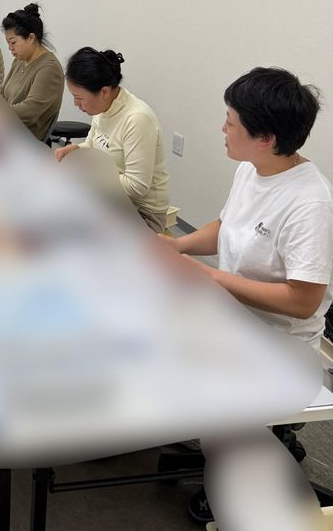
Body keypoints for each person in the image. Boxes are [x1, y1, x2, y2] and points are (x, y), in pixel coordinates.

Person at [163, 67, 333, 347]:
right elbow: (227, 225)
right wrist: (177, 246)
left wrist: (210, 275)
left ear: (265, 139)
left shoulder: (312, 204)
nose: (223, 128)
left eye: (230, 123)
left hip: (278, 345)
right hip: (232, 318)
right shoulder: (251, 167)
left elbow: (303, 302)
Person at [55, 47, 170, 232]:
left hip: (141, 213)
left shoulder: (137, 119)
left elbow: (137, 186)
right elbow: (93, 144)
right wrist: (76, 150)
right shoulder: (103, 108)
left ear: (104, 92)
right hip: (109, 201)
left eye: (79, 98)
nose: (76, 104)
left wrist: (88, 176)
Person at [0, 3, 64, 141]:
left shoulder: (49, 68)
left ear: (31, 38)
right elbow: (3, 93)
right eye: (8, 43)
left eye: (13, 42)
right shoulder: (20, 60)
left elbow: (29, 111)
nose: (10, 48)